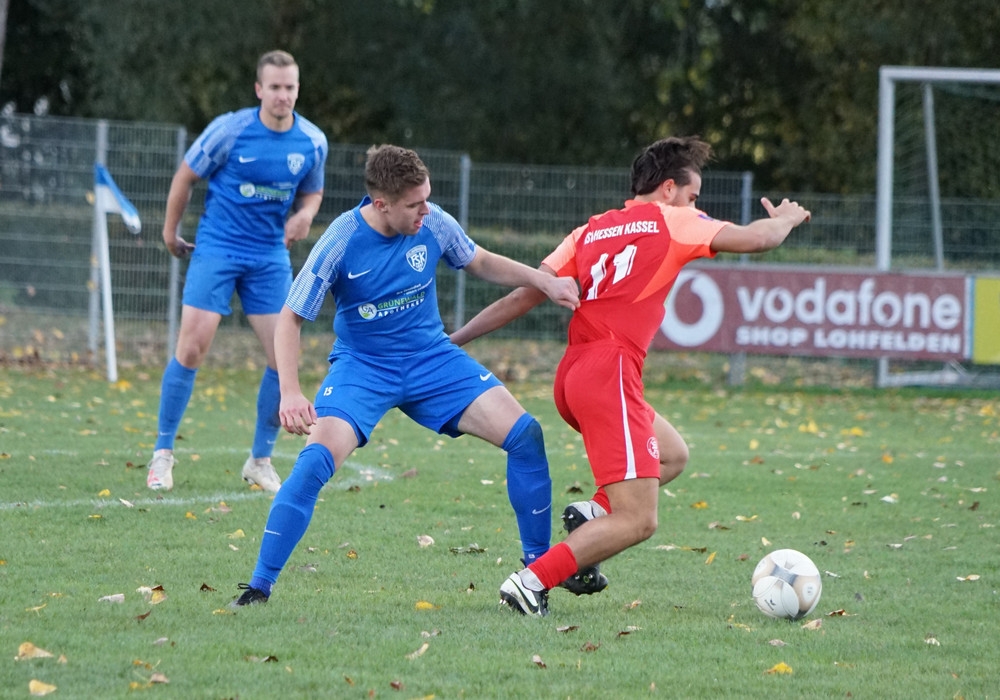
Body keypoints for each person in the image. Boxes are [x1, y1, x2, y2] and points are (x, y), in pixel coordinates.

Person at [449, 136, 812, 616]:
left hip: (574, 375)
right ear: (668, 189)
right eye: (693, 196)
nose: (696, 207)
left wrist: (456, 339)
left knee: (672, 455)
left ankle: (592, 515)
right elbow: (758, 239)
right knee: (639, 519)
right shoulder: (674, 219)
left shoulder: (589, 230)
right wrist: (786, 218)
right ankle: (531, 582)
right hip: (609, 374)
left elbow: (525, 294)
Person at [231, 144, 585, 606]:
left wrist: (543, 280)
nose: (426, 211)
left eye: (427, 199)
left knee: (525, 435)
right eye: (415, 204)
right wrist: (291, 392)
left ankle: (536, 575)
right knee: (314, 463)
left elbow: (478, 260)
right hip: (364, 367)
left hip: (431, 359)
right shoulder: (341, 238)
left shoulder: (433, 221)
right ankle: (259, 587)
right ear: (381, 204)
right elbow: (290, 318)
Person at [146, 50, 329, 493]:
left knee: (282, 359)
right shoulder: (230, 130)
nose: (283, 95)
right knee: (193, 347)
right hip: (218, 248)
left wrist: (305, 215)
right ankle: (162, 454)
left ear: (298, 89)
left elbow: (312, 193)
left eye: (290, 87)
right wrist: (170, 232)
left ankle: (260, 461)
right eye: (275, 87)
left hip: (269, 257)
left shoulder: (312, 141)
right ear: (259, 89)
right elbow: (185, 177)